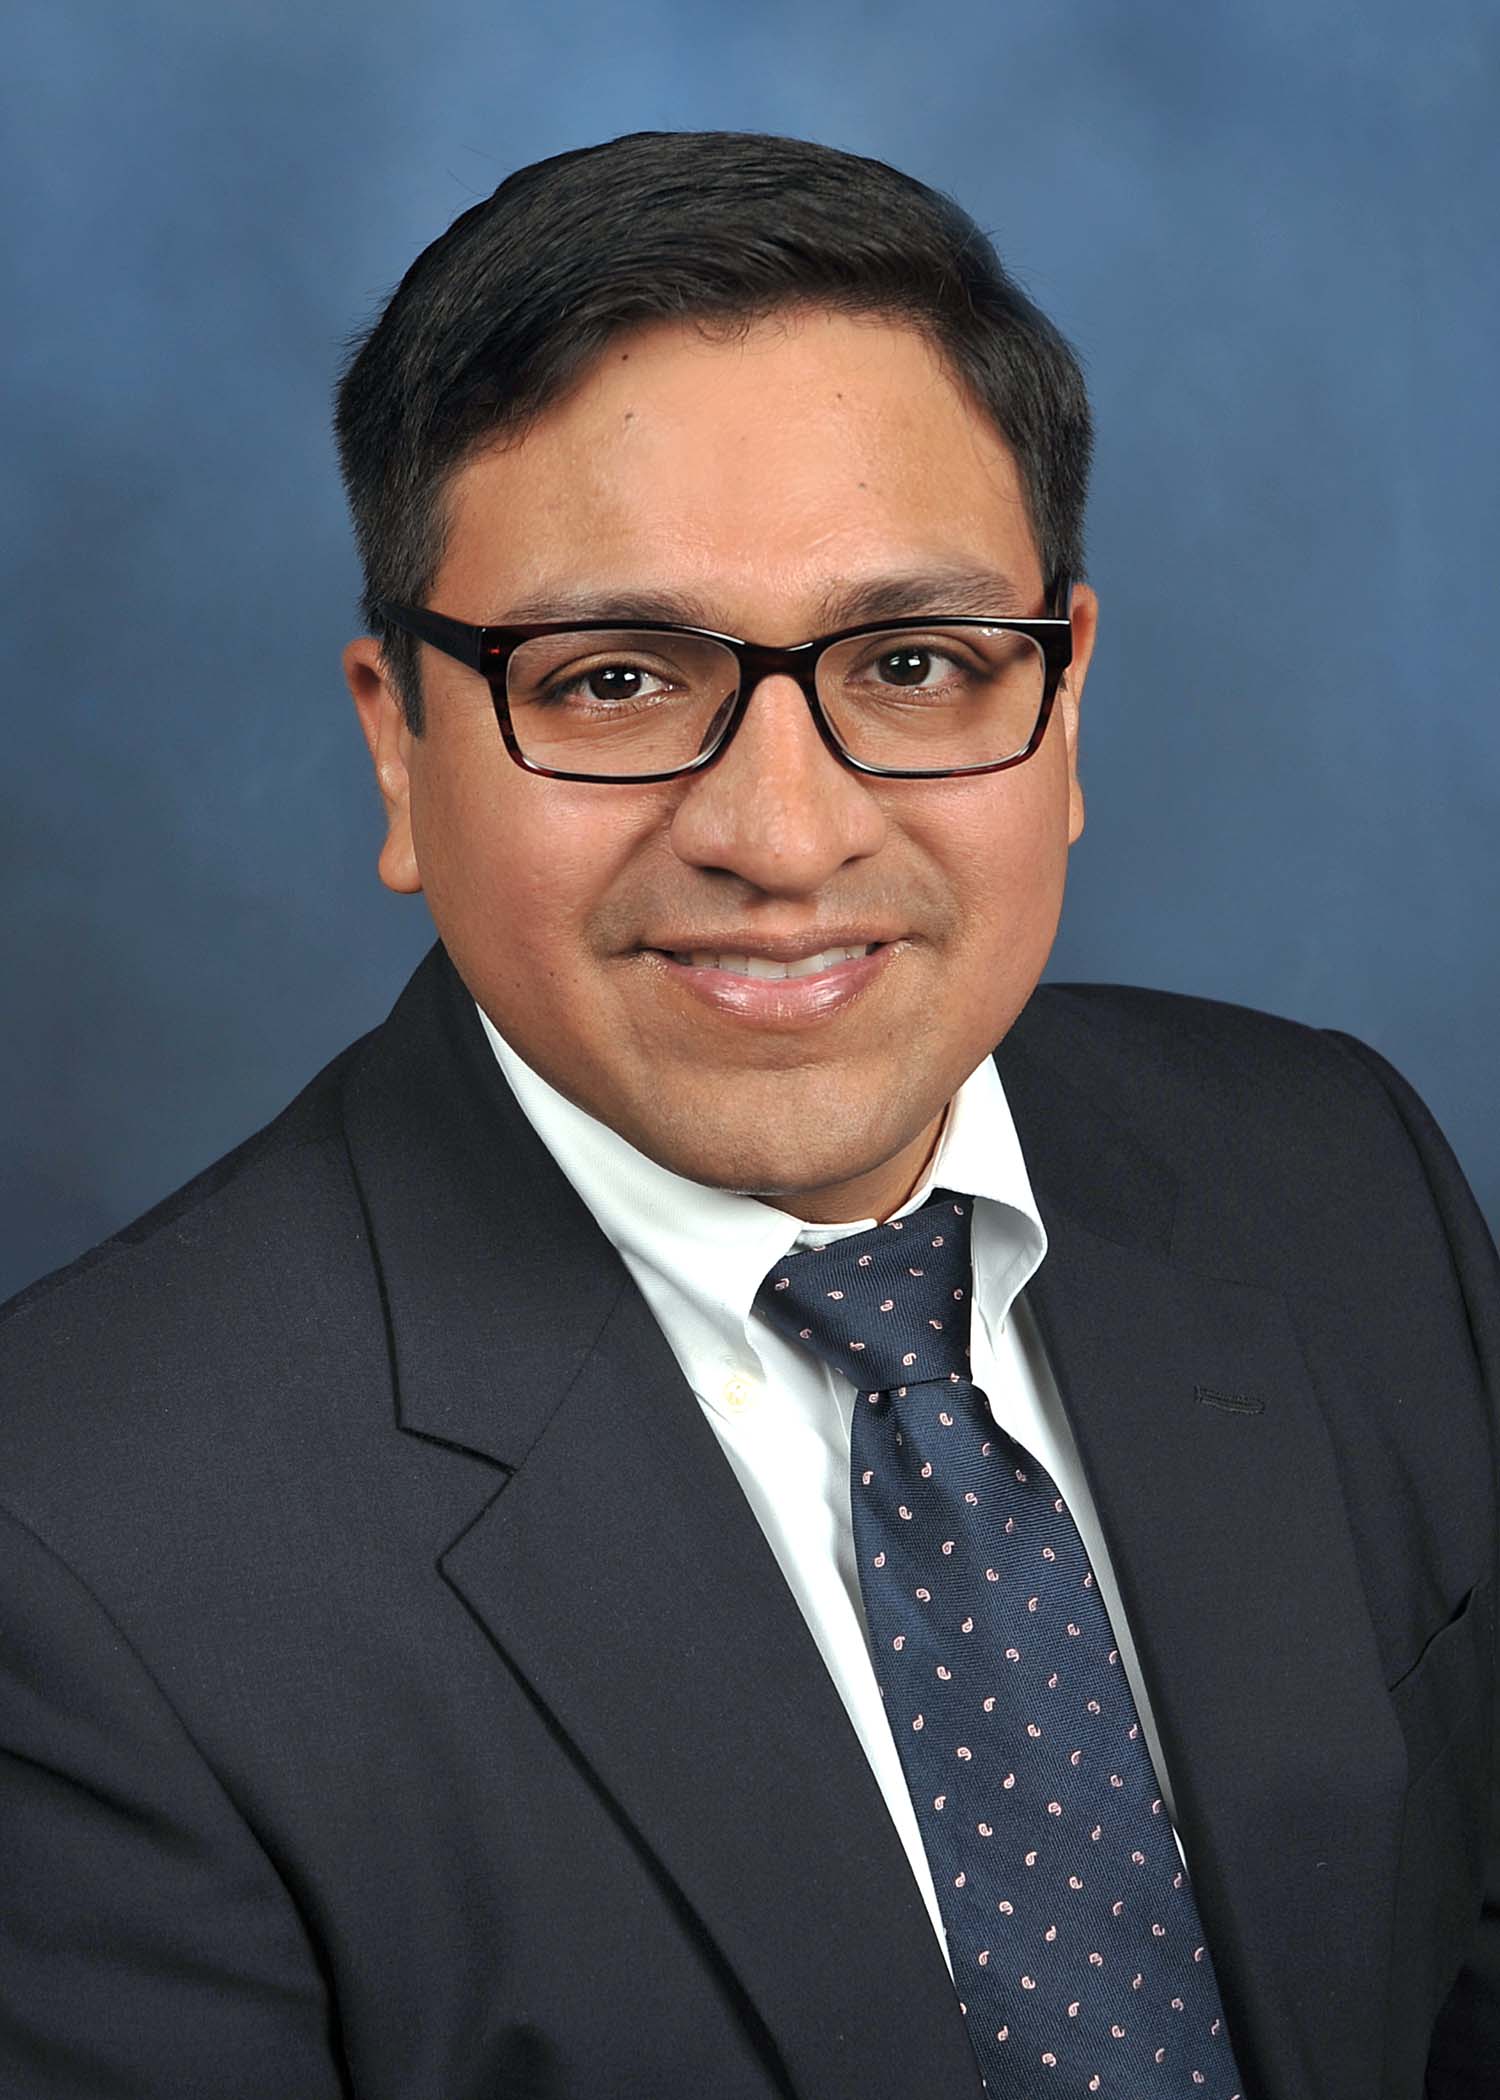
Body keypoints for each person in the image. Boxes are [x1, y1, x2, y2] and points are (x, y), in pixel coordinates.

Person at [1, 129, 1495, 2100]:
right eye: (615, 678)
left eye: (915, 662)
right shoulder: (79, 1548)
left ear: (1060, 711)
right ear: (398, 737)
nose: (785, 836)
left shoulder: (1338, 1174)